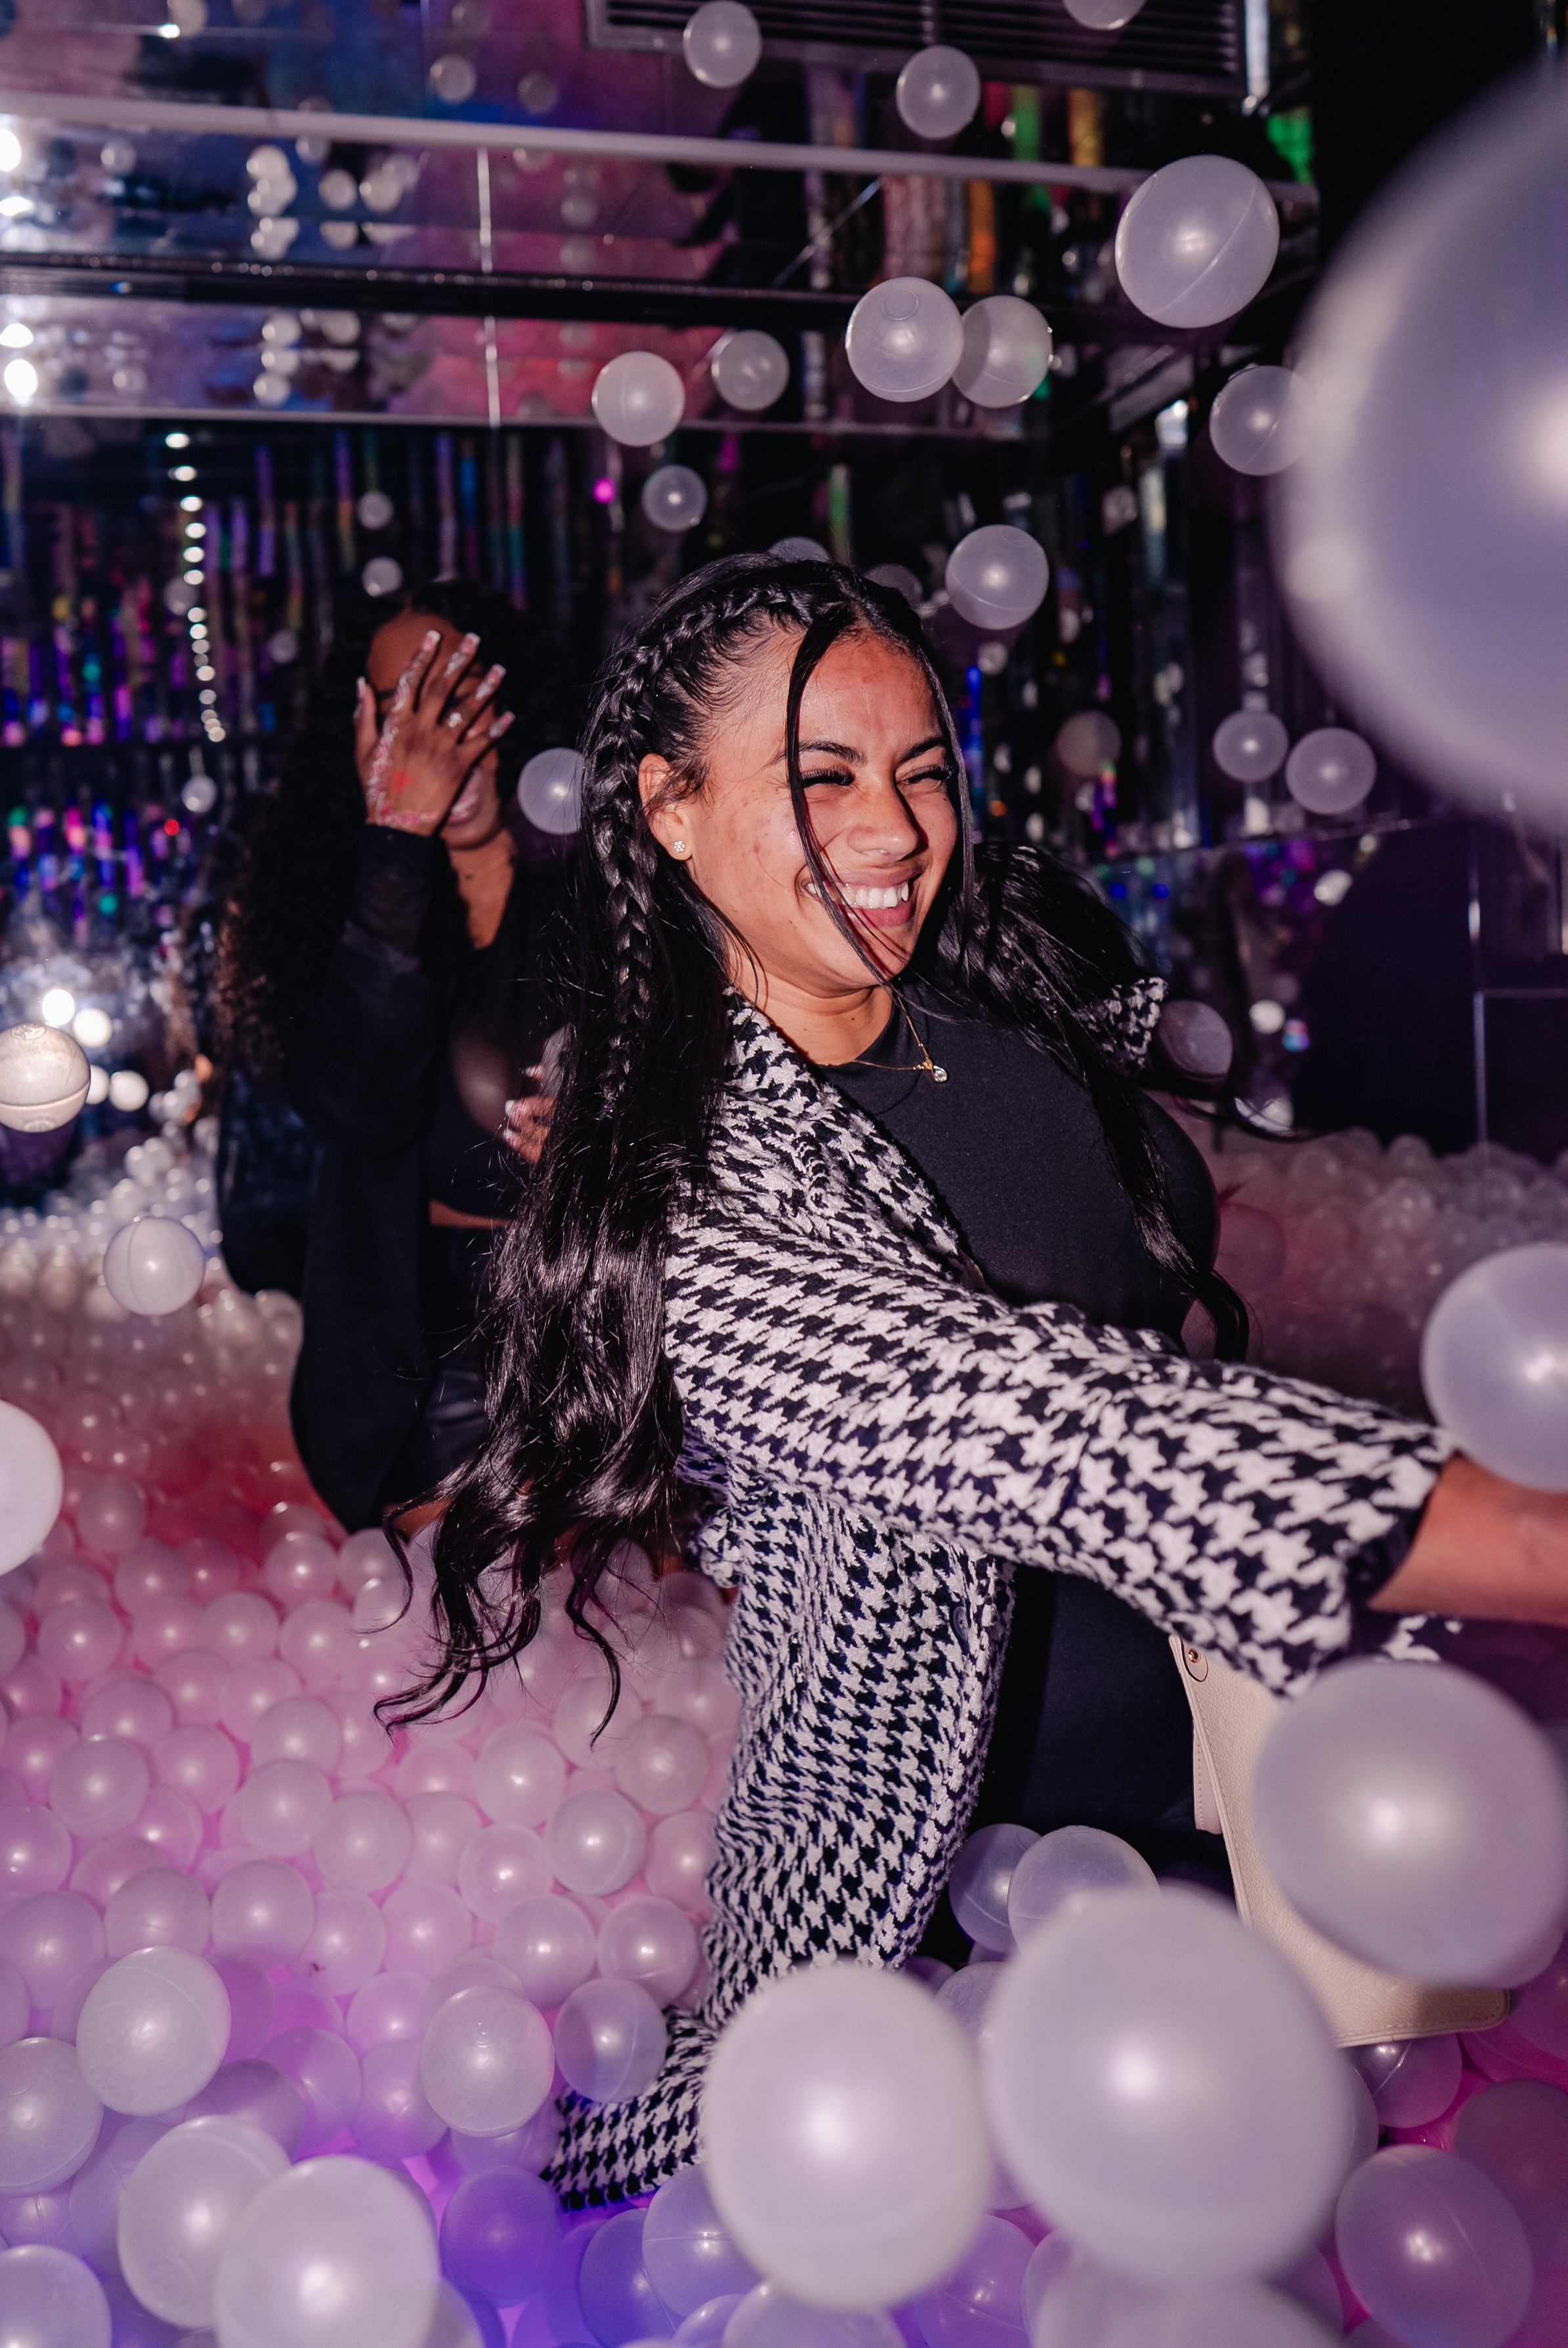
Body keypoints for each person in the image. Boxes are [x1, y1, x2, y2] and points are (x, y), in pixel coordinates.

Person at [408, 553, 1568, 2204]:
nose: (893, 832)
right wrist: (1527, 1535)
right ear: (668, 808)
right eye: (820, 780)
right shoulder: (689, 1189)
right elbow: (1052, 1424)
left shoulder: (988, 997)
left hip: (1239, 1829)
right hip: (950, 1936)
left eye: (921, 772)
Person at [219, 580, 572, 1532]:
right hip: (425, 1360)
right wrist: (395, 848)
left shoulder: (608, 889)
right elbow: (357, 1105)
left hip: (603, 1336)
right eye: (398, 706)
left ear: (515, 703)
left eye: (451, 696)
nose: (429, 735)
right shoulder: (348, 902)